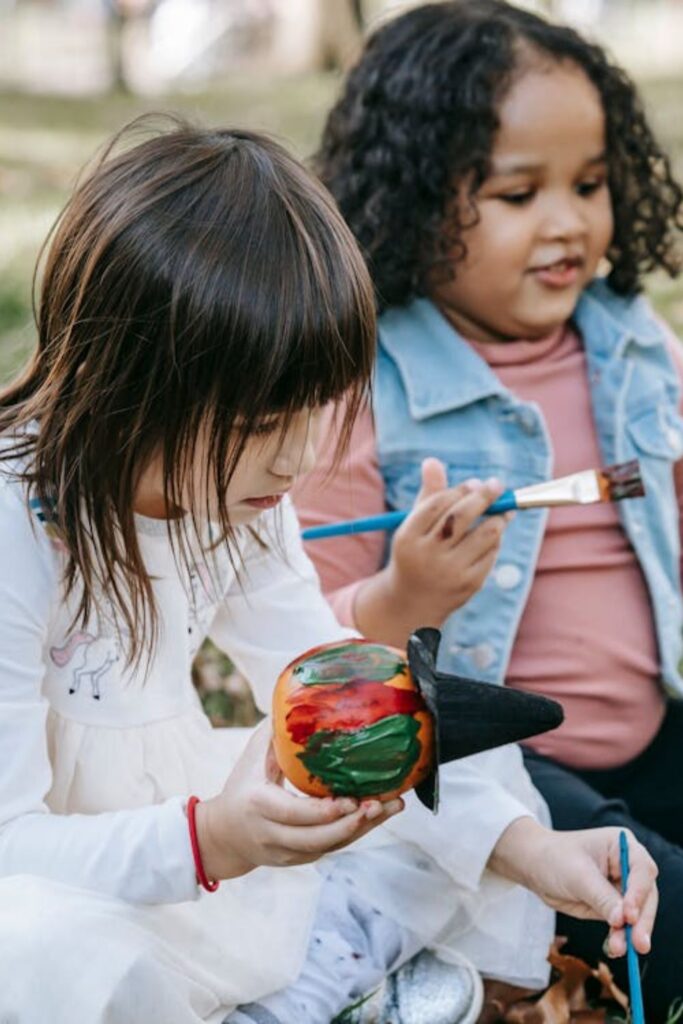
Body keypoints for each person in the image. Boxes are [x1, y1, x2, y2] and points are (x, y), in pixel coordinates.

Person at [0, 116, 655, 1024]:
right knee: (39, 949)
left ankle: (315, 985)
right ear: (127, 389)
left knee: (451, 746)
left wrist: (529, 848)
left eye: (314, 414)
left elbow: (337, 682)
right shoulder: (16, 528)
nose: (294, 463)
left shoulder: (235, 497)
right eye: (258, 430)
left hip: (199, 837)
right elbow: (11, 844)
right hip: (63, 867)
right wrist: (209, 842)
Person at [295, 0, 682, 1017]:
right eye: (518, 193)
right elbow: (302, 641)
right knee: (652, 897)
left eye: (589, 185)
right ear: (414, 201)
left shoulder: (629, 343)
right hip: (500, 770)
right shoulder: (359, 384)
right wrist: (402, 592)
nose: (567, 222)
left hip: (657, 722)